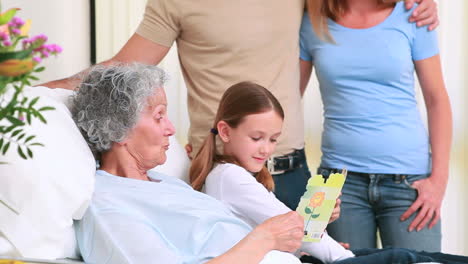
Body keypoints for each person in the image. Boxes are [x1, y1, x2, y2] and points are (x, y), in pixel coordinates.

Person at [42, 0, 439, 211]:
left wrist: (417, 4)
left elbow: (357, 10)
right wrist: (29, 92)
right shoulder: (173, 2)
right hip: (217, 172)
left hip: (290, 170)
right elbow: (119, 70)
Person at [189, 82, 467, 264]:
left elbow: (282, 235)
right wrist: (342, 257)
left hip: (308, 256)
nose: (265, 149)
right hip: (323, 259)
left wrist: (315, 229)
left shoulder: (230, 175)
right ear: (225, 131)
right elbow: (288, 225)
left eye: (273, 139)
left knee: (413, 256)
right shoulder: (230, 177)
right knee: (404, 258)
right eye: (256, 137)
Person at [72, 63, 304, 264]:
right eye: (159, 116)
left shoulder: (167, 183)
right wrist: (263, 239)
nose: (171, 129)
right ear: (118, 128)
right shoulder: (109, 206)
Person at [299, 0, 452, 252]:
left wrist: (439, 180)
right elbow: (289, 99)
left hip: (408, 184)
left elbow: (437, 101)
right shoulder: (312, 21)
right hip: (338, 185)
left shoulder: (413, 14)